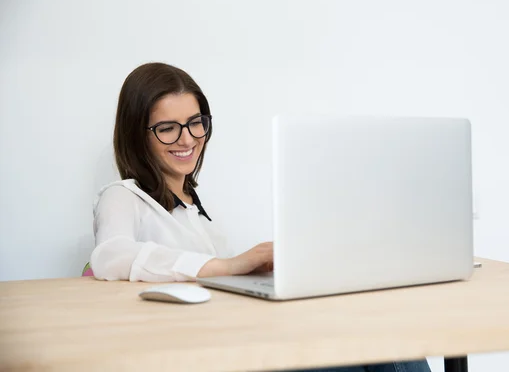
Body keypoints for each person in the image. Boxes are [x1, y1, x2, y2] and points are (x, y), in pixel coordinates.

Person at [90, 62, 430, 372]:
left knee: (378, 329)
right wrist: (228, 266)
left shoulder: (199, 212)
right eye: (167, 128)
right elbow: (110, 256)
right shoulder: (123, 196)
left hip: (236, 344)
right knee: (373, 344)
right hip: (195, 358)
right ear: (138, 134)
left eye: (196, 123)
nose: (188, 139)